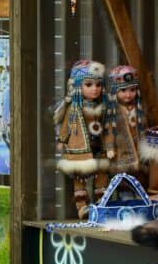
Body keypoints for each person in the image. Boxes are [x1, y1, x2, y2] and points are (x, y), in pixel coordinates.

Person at [54, 59, 110, 219]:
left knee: (101, 174)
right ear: (78, 86)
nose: (94, 89)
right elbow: (66, 125)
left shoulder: (103, 107)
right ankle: (82, 206)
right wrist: (62, 140)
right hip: (79, 147)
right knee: (80, 176)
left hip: (98, 147)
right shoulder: (73, 108)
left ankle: (101, 203)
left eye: (98, 85)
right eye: (89, 85)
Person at [104, 65, 147, 195]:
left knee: (139, 176)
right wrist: (110, 147)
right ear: (115, 91)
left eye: (132, 90)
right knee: (123, 177)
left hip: (138, 147)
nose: (128, 94)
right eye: (123, 90)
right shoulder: (113, 110)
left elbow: (144, 127)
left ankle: (139, 195)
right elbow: (109, 130)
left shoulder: (139, 108)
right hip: (122, 150)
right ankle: (125, 195)